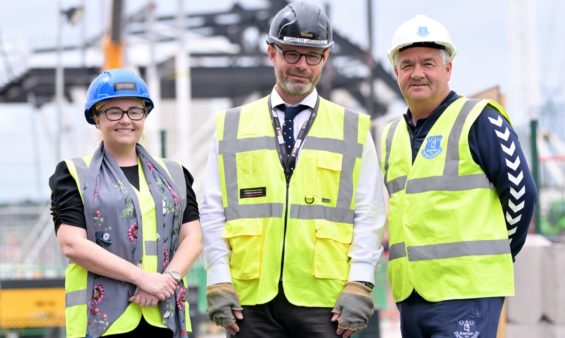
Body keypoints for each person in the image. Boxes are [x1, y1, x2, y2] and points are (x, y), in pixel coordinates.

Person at [199, 2, 386, 337]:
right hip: (249, 301)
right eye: (292, 54)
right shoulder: (231, 126)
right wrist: (218, 276)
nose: (301, 65)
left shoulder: (353, 129)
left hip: (325, 301)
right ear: (272, 52)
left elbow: (369, 212)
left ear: (325, 59)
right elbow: (212, 208)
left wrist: (360, 280)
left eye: (312, 56)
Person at [380, 14, 537, 338]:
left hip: (467, 294)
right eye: (407, 65)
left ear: (448, 69)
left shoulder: (479, 119)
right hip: (412, 295)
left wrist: (496, 252)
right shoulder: (391, 135)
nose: (417, 73)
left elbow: (522, 194)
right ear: (396, 72)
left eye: (428, 63)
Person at [49, 68, 203, 338]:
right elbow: (72, 244)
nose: (125, 120)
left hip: (163, 316)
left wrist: (165, 282)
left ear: (144, 116)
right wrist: (142, 278)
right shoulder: (74, 174)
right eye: (113, 112)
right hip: (101, 323)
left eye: (135, 111)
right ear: (96, 119)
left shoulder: (175, 174)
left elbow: (193, 238)